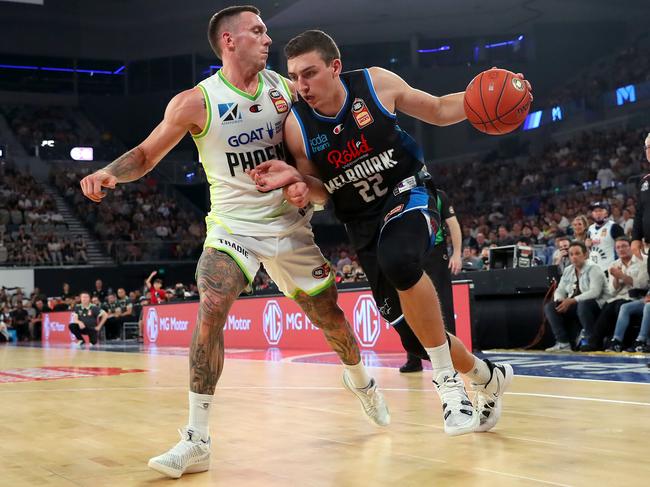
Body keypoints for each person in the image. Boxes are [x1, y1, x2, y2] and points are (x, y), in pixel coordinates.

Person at [79, 7, 388, 479]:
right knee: (212, 303)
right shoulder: (196, 102)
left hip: (289, 226)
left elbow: (316, 151)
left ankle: (361, 380)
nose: (268, 39)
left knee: (330, 319)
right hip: (231, 228)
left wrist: (307, 183)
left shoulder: (285, 91)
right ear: (229, 40)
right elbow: (145, 154)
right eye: (257, 31)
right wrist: (108, 172)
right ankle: (196, 438)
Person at [249, 29, 523, 436]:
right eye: (294, 76)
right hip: (359, 221)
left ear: (335, 67)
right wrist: (298, 182)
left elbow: (441, 110)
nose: (300, 85)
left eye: (309, 73)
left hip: (409, 192)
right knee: (414, 341)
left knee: (400, 260)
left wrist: (489, 95)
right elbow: (321, 192)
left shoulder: (375, 84)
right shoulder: (297, 126)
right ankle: (486, 375)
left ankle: (449, 388)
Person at [399, 188, 462, 373]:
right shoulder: (401, 194)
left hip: (435, 252)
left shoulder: (439, 194)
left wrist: (457, 253)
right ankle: (414, 358)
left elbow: (453, 224)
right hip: (411, 253)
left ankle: (452, 358)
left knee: (443, 304)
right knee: (410, 304)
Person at [585, 237, 647, 351]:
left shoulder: (642, 261)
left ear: (630, 247)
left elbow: (642, 285)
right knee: (607, 307)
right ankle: (595, 342)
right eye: (618, 247)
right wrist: (616, 279)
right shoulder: (614, 264)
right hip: (618, 298)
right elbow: (612, 291)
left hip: (636, 297)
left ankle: (619, 342)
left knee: (618, 306)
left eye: (624, 246)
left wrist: (622, 276)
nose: (621, 249)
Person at [544, 241, 607, 352]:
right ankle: (563, 343)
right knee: (551, 307)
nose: (574, 257)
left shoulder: (594, 268)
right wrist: (560, 299)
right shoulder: (568, 270)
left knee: (583, 305)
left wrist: (572, 301)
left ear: (585, 254)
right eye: (571, 254)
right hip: (577, 303)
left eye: (577, 253)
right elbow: (560, 289)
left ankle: (591, 341)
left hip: (598, 304)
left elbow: (595, 292)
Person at [587, 201, 624, 273]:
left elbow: (624, 246)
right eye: (595, 211)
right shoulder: (590, 228)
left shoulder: (614, 227)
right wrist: (587, 245)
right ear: (592, 214)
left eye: (600, 210)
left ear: (606, 213)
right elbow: (590, 249)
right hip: (594, 270)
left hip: (610, 269)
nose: (598, 213)